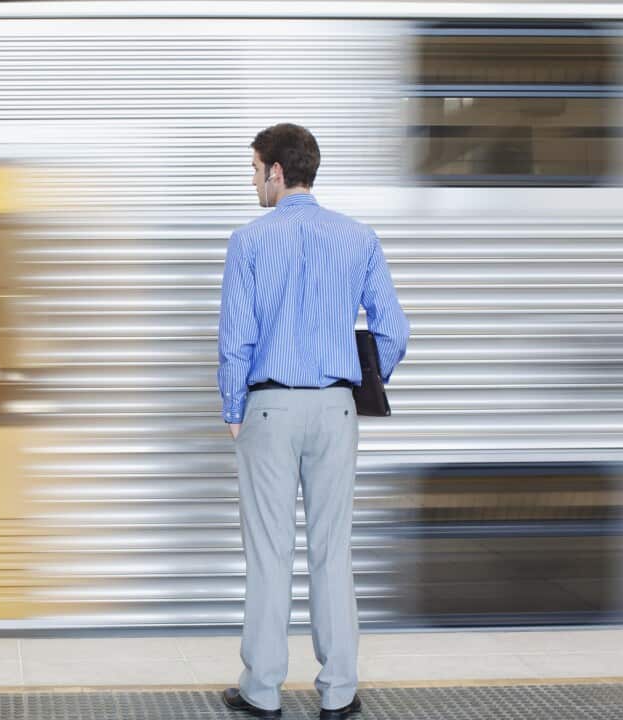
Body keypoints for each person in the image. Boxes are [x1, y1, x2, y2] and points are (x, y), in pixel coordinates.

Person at [217, 124, 409, 719]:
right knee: (332, 551)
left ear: (277, 172)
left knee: (269, 554)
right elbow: (393, 331)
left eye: (255, 170)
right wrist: (360, 381)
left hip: (268, 408)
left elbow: (236, 339)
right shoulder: (358, 238)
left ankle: (262, 691)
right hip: (334, 409)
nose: (253, 181)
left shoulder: (248, 241)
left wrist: (233, 410)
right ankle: (339, 693)